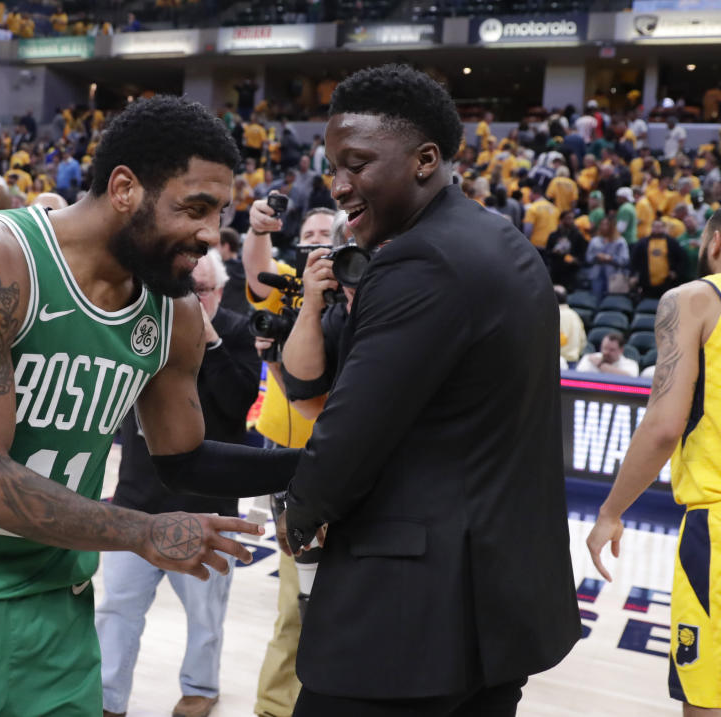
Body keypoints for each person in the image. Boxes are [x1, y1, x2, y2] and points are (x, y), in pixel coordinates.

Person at [0, 96, 300, 717]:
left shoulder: (171, 312)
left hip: (58, 608)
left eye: (219, 211)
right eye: (194, 208)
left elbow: (184, 459)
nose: (208, 232)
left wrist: (315, 464)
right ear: (124, 188)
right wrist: (142, 532)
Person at [281, 64, 580, 715]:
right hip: (498, 611)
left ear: (424, 160)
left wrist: (298, 512)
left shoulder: (419, 260)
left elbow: (352, 432)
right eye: (333, 166)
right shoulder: (503, 240)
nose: (338, 184)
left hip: (408, 622)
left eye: (357, 164)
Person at [96, 249, 260, 717]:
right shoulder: (148, 326)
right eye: (182, 289)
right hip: (137, 501)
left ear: (219, 291)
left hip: (207, 506)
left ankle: (200, 688)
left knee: (205, 617)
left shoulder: (234, 330)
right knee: (117, 610)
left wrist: (207, 339)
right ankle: (109, 699)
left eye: (200, 290)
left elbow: (238, 401)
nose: (190, 298)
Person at [586, 210, 721, 714]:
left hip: (717, 527)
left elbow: (664, 426)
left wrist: (611, 512)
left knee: (708, 699)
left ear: (714, 243)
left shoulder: (694, 299)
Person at [242, 202, 336, 717]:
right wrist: (259, 228)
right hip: (288, 457)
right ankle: (275, 707)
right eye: (310, 233)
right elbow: (256, 269)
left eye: (328, 232)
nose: (318, 240)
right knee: (295, 601)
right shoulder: (289, 285)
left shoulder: (355, 289)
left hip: (343, 452)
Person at [587, 216, 631, 300]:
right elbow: (588, 258)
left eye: (606, 224)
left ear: (612, 226)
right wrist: (596, 257)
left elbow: (625, 260)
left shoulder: (620, 241)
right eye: (602, 224)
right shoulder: (595, 240)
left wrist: (610, 258)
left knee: (612, 302)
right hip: (596, 276)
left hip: (614, 277)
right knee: (596, 300)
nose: (603, 226)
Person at [557, 286, 586, 365]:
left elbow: (560, 340)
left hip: (559, 362)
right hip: (573, 362)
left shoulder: (555, 315)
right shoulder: (575, 315)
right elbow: (583, 340)